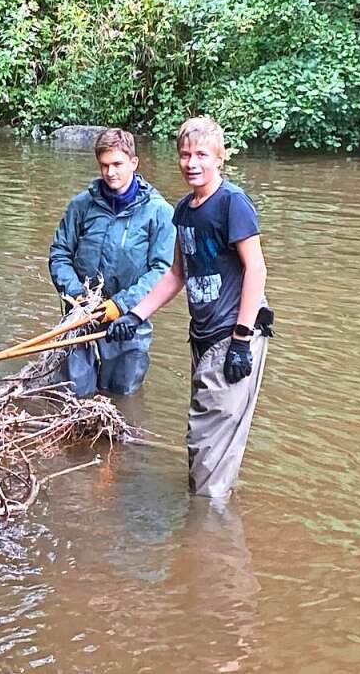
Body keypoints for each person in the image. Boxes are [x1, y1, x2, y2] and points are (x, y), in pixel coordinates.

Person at [106, 117, 273, 498]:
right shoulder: (184, 210)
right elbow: (177, 274)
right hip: (203, 337)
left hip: (233, 334)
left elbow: (257, 268)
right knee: (205, 438)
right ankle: (209, 518)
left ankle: (207, 530)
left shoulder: (232, 204)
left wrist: (243, 340)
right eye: (184, 155)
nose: (191, 163)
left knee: (208, 438)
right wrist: (135, 315)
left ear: (220, 158)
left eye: (201, 154)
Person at [48, 128, 175, 397]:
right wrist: (76, 295)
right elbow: (59, 253)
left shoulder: (159, 212)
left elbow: (162, 270)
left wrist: (122, 305)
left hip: (129, 318)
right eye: (104, 165)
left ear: (134, 163)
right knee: (73, 394)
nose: (110, 172)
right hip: (80, 313)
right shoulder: (81, 206)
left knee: (122, 396)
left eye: (117, 164)